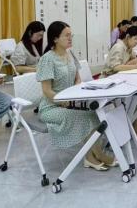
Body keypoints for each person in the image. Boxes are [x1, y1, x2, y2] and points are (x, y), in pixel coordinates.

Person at [36, 21, 115, 170]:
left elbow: (78, 79)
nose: (70, 38)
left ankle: (94, 154)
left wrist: (76, 94)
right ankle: (92, 156)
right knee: (82, 116)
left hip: (71, 102)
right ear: (55, 39)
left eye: (70, 35)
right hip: (51, 107)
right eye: (66, 35)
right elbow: (46, 90)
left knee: (94, 114)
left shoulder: (70, 54)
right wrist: (63, 101)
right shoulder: (47, 59)